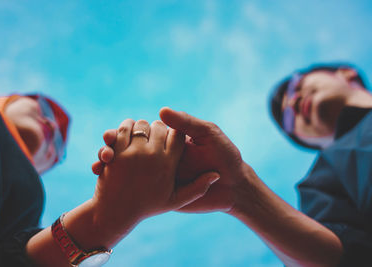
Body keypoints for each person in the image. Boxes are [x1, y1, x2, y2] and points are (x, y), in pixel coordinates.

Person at [94, 63, 372, 266]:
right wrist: (241, 194)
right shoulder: (325, 178)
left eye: (297, 85)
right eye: (289, 121)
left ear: (346, 73)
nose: (294, 102)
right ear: (304, 139)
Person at [0, 76, 217, 266]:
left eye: (56, 146)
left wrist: (108, 216)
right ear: (6, 99)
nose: (51, 126)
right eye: (44, 110)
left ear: (43, 168)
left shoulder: (27, 205)